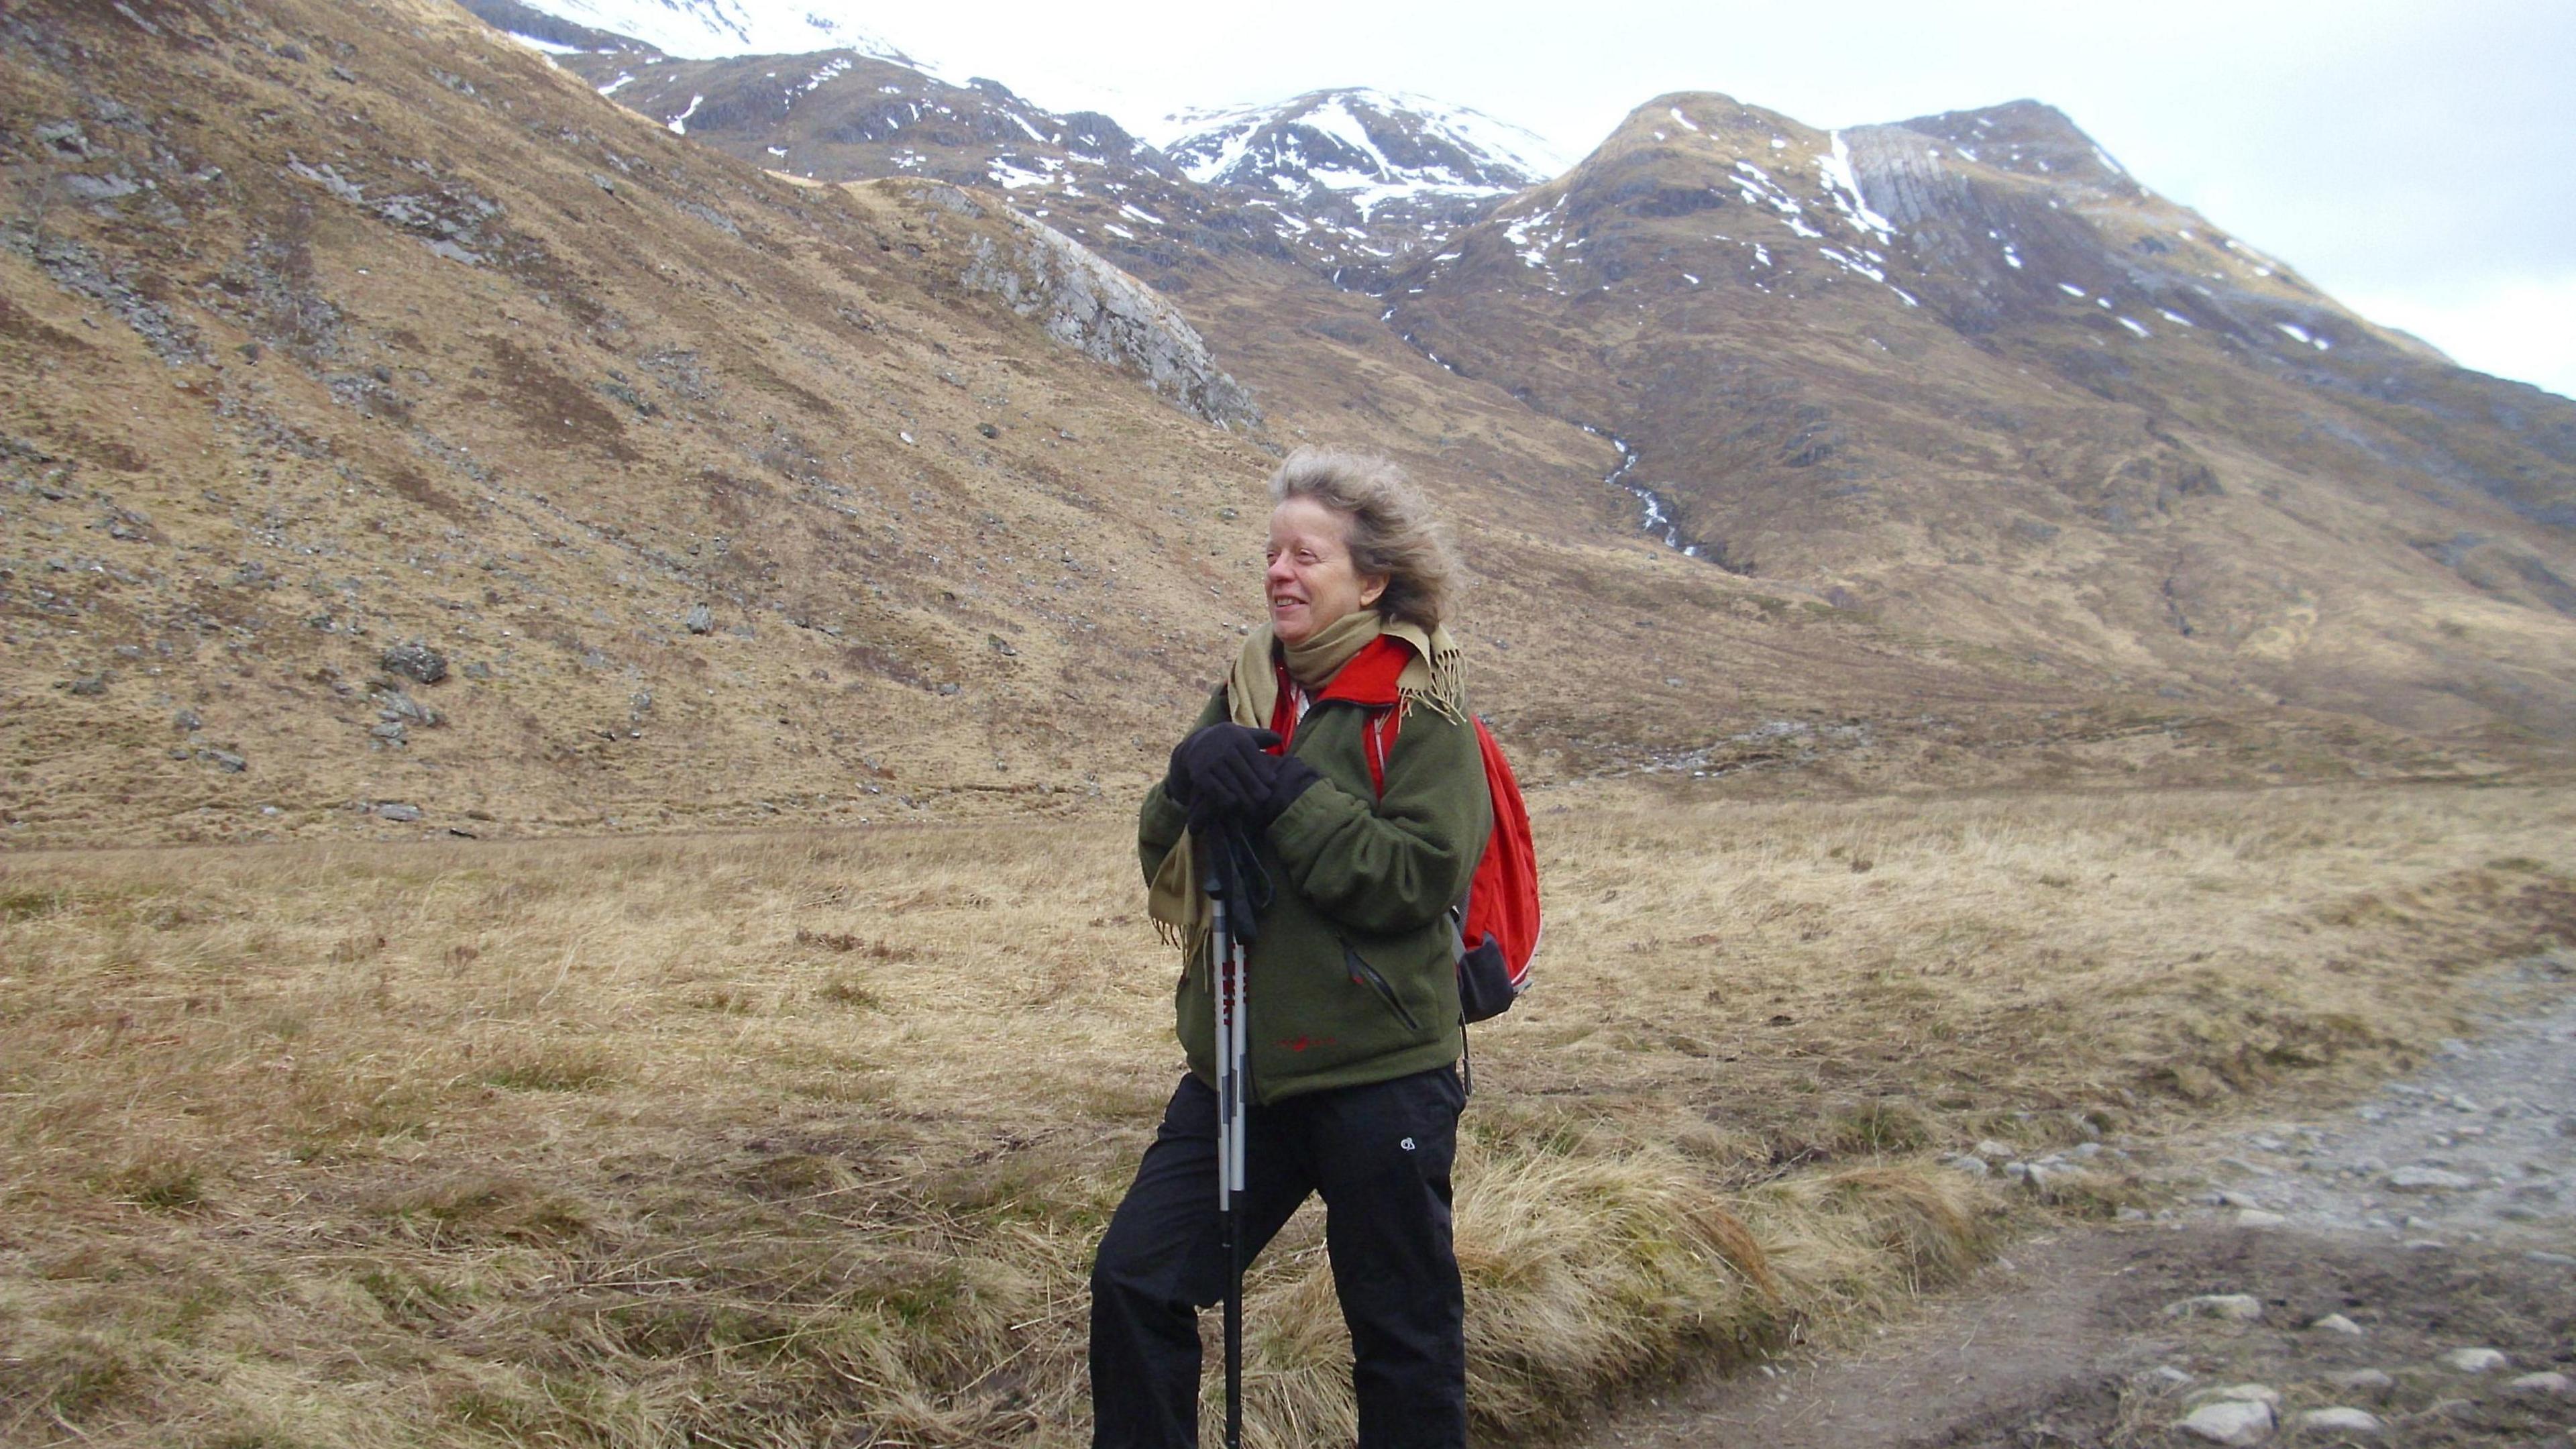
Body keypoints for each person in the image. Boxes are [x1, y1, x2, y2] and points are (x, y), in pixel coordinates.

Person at [1090, 449, 1491, 1448]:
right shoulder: (1249, 686)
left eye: (1305, 556)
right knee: (1136, 1278)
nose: (1278, 572)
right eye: (1272, 553)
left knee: (1401, 1335)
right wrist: (1187, 779)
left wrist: (1289, 798)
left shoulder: (1423, 701)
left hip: (1380, 1072)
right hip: (1239, 1069)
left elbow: (1416, 878)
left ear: (1371, 578)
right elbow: (1162, 856)